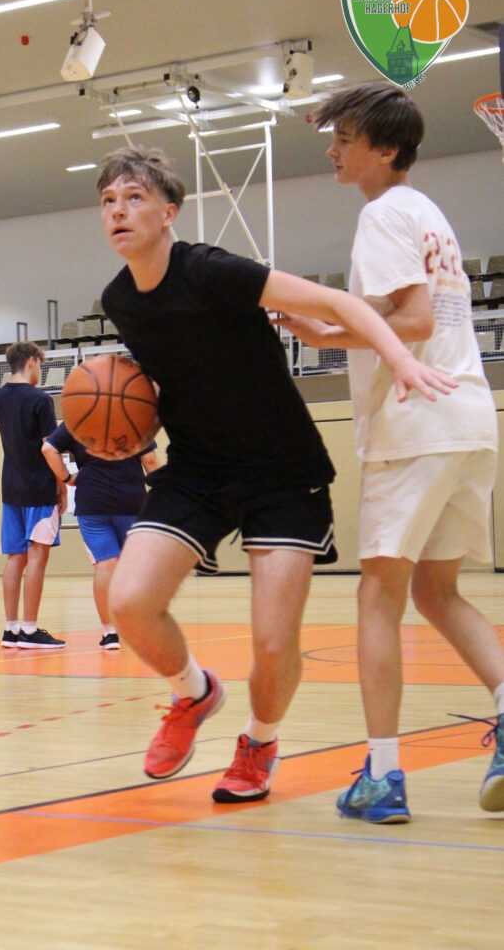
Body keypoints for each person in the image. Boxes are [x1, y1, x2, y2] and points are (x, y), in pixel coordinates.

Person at [95, 145, 453, 803]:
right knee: (129, 601)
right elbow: (168, 380)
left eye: (134, 198)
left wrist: (401, 359)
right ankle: (193, 694)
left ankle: (259, 742)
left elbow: (338, 304)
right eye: (108, 201)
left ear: (169, 211)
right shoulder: (120, 299)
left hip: (281, 470)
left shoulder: (212, 271)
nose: (118, 211)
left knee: (272, 641)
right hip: (198, 467)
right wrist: (129, 431)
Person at [281, 81, 504, 822]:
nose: (331, 150)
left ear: (383, 150)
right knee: (437, 592)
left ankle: (381, 775)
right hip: (468, 415)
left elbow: (409, 321)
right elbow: (405, 313)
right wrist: (327, 331)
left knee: (378, 595)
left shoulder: (380, 215)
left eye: (344, 138)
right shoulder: (425, 212)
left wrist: (327, 330)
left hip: (416, 425)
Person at [42, 423, 160, 649]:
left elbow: (48, 449)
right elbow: (151, 462)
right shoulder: (134, 417)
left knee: (105, 565)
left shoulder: (79, 418)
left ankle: (110, 633)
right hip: (131, 502)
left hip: (92, 502)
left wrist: (67, 479)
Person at [0, 341, 66, 651]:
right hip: (38, 486)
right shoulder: (41, 399)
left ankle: (11, 629)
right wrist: (63, 483)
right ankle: (30, 630)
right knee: (37, 556)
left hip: (10, 486)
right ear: (32, 361)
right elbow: (50, 448)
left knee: (15, 557)